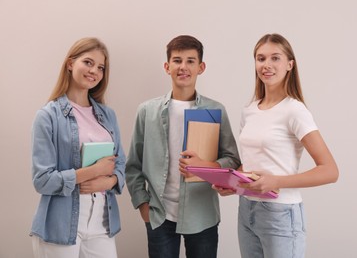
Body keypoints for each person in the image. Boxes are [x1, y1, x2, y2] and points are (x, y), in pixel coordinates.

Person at [214, 33, 339, 258]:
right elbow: (252, 166)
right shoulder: (250, 110)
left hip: (281, 213)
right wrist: (234, 185)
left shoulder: (295, 110)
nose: (267, 65)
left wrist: (277, 181)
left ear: (290, 64)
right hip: (247, 210)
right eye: (261, 59)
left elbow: (330, 171)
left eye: (275, 58)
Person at [125, 35, 241, 258]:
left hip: (202, 215)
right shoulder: (147, 110)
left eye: (190, 61)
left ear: (201, 67)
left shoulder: (215, 110)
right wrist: (143, 205)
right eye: (177, 60)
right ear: (167, 67)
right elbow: (133, 166)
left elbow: (232, 159)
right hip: (159, 215)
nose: (183, 67)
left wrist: (204, 165)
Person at [30, 37, 126, 258]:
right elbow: (42, 180)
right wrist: (94, 171)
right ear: (70, 63)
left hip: (102, 221)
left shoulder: (107, 115)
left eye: (100, 67)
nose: (94, 71)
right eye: (88, 62)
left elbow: (120, 162)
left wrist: (109, 180)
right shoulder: (48, 116)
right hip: (60, 223)